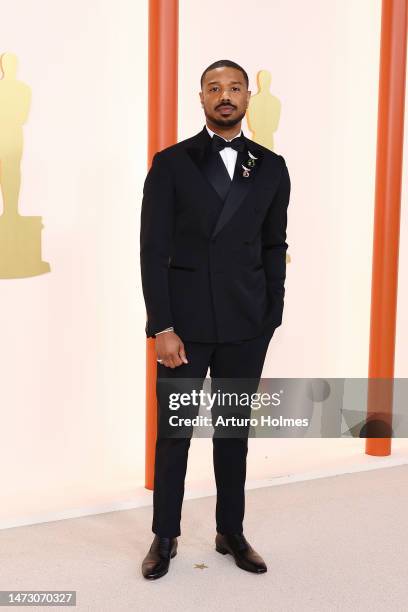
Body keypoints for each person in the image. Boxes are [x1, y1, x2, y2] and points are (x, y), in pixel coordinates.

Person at [140, 59, 291, 580]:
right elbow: (152, 248)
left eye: (233, 88)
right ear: (200, 97)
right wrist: (161, 326)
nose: (224, 96)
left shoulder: (271, 166)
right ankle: (165, 535)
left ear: (248, 96)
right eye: (213, 88)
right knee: (174, 433)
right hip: (183, 327)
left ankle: (231, 530)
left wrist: (273, 310)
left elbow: (275, 243)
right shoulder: (173, 162)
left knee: (233, 434)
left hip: (246, 324)